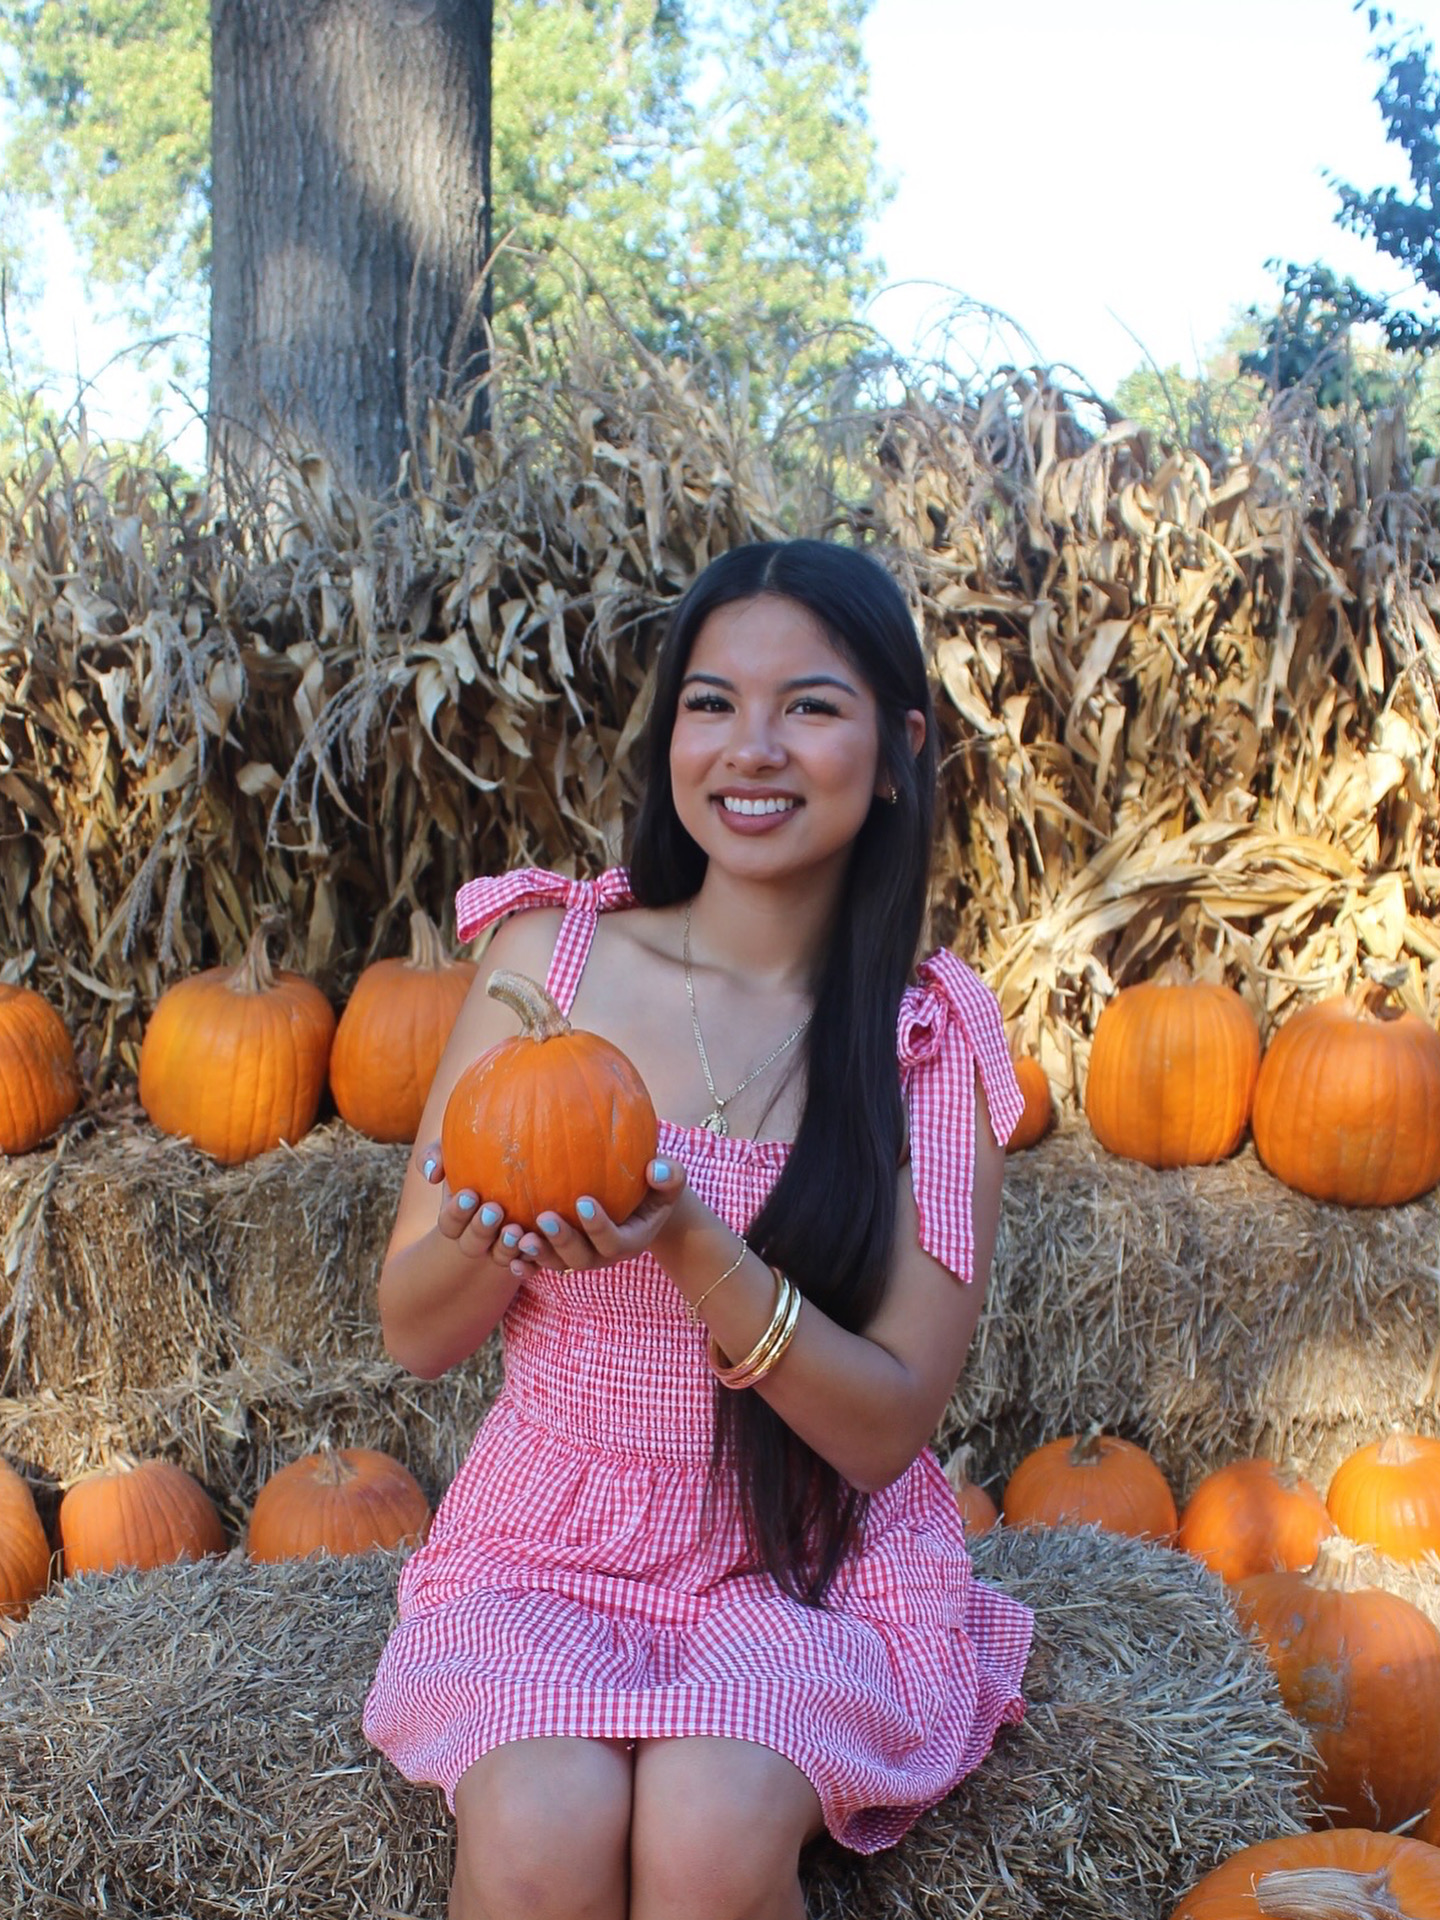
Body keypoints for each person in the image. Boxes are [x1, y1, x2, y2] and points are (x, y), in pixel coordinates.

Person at [363, 538, 1034, 1920]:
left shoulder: (927, 1045)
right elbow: (410, 1331)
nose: (755, 748)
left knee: (709, 1833)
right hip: (547, 1539)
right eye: (713, 703)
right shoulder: (545, 964)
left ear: (899, 745)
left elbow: (886, 1425)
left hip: (801, 1564)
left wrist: (690, 1241)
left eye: (813, 705)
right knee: (543, 1833)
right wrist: (498, 1240)